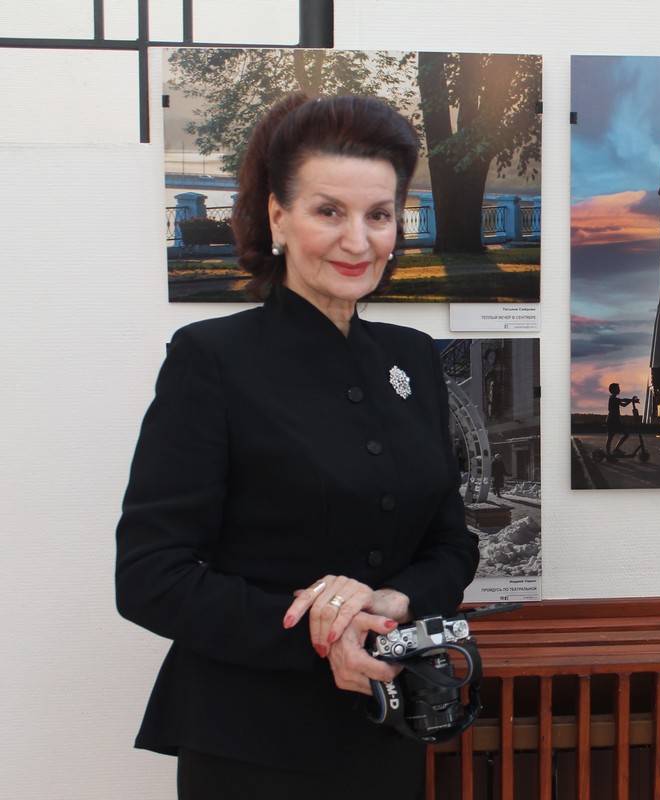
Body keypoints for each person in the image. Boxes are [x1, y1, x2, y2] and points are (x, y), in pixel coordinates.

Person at [115, 93, 479, 799]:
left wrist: (390, 601)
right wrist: (320, 627)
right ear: (278, 217)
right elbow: (149, 576)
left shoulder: (412, 359)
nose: (358, 240)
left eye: (379, 215)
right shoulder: (211, 359)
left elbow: (452, 546)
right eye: (329, 211)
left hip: (385, 730)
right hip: (250, 744)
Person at [605, 382, 637, 455]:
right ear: (613, 390)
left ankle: (616, 449)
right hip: (611, 421)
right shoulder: (613, 399)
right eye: (618, 389)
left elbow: (624, 404)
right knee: (610, 437)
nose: (619, 390)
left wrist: (632, 401)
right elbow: (623, 400)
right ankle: (608, 455)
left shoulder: (615, 399)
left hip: (616, 421)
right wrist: (631, 400)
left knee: (626, 434)